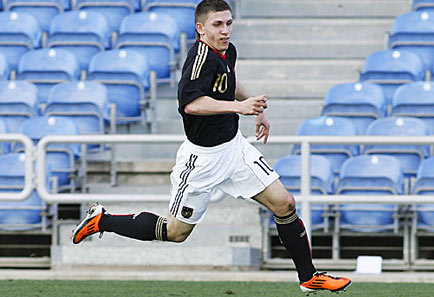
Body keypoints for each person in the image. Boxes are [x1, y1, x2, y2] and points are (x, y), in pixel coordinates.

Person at [71, 0, 351, 294]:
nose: (226, 30)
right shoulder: (199, 60)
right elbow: (191, 105)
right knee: (175, 232)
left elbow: (228, 78)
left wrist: (255, 107)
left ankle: (309, 277)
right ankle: (103, 220)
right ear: (200, 28)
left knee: (285, 203)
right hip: (202, 159)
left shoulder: (226, 50)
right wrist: (239, 107)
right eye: (218, 24)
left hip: (234, 148)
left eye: (229, 23)